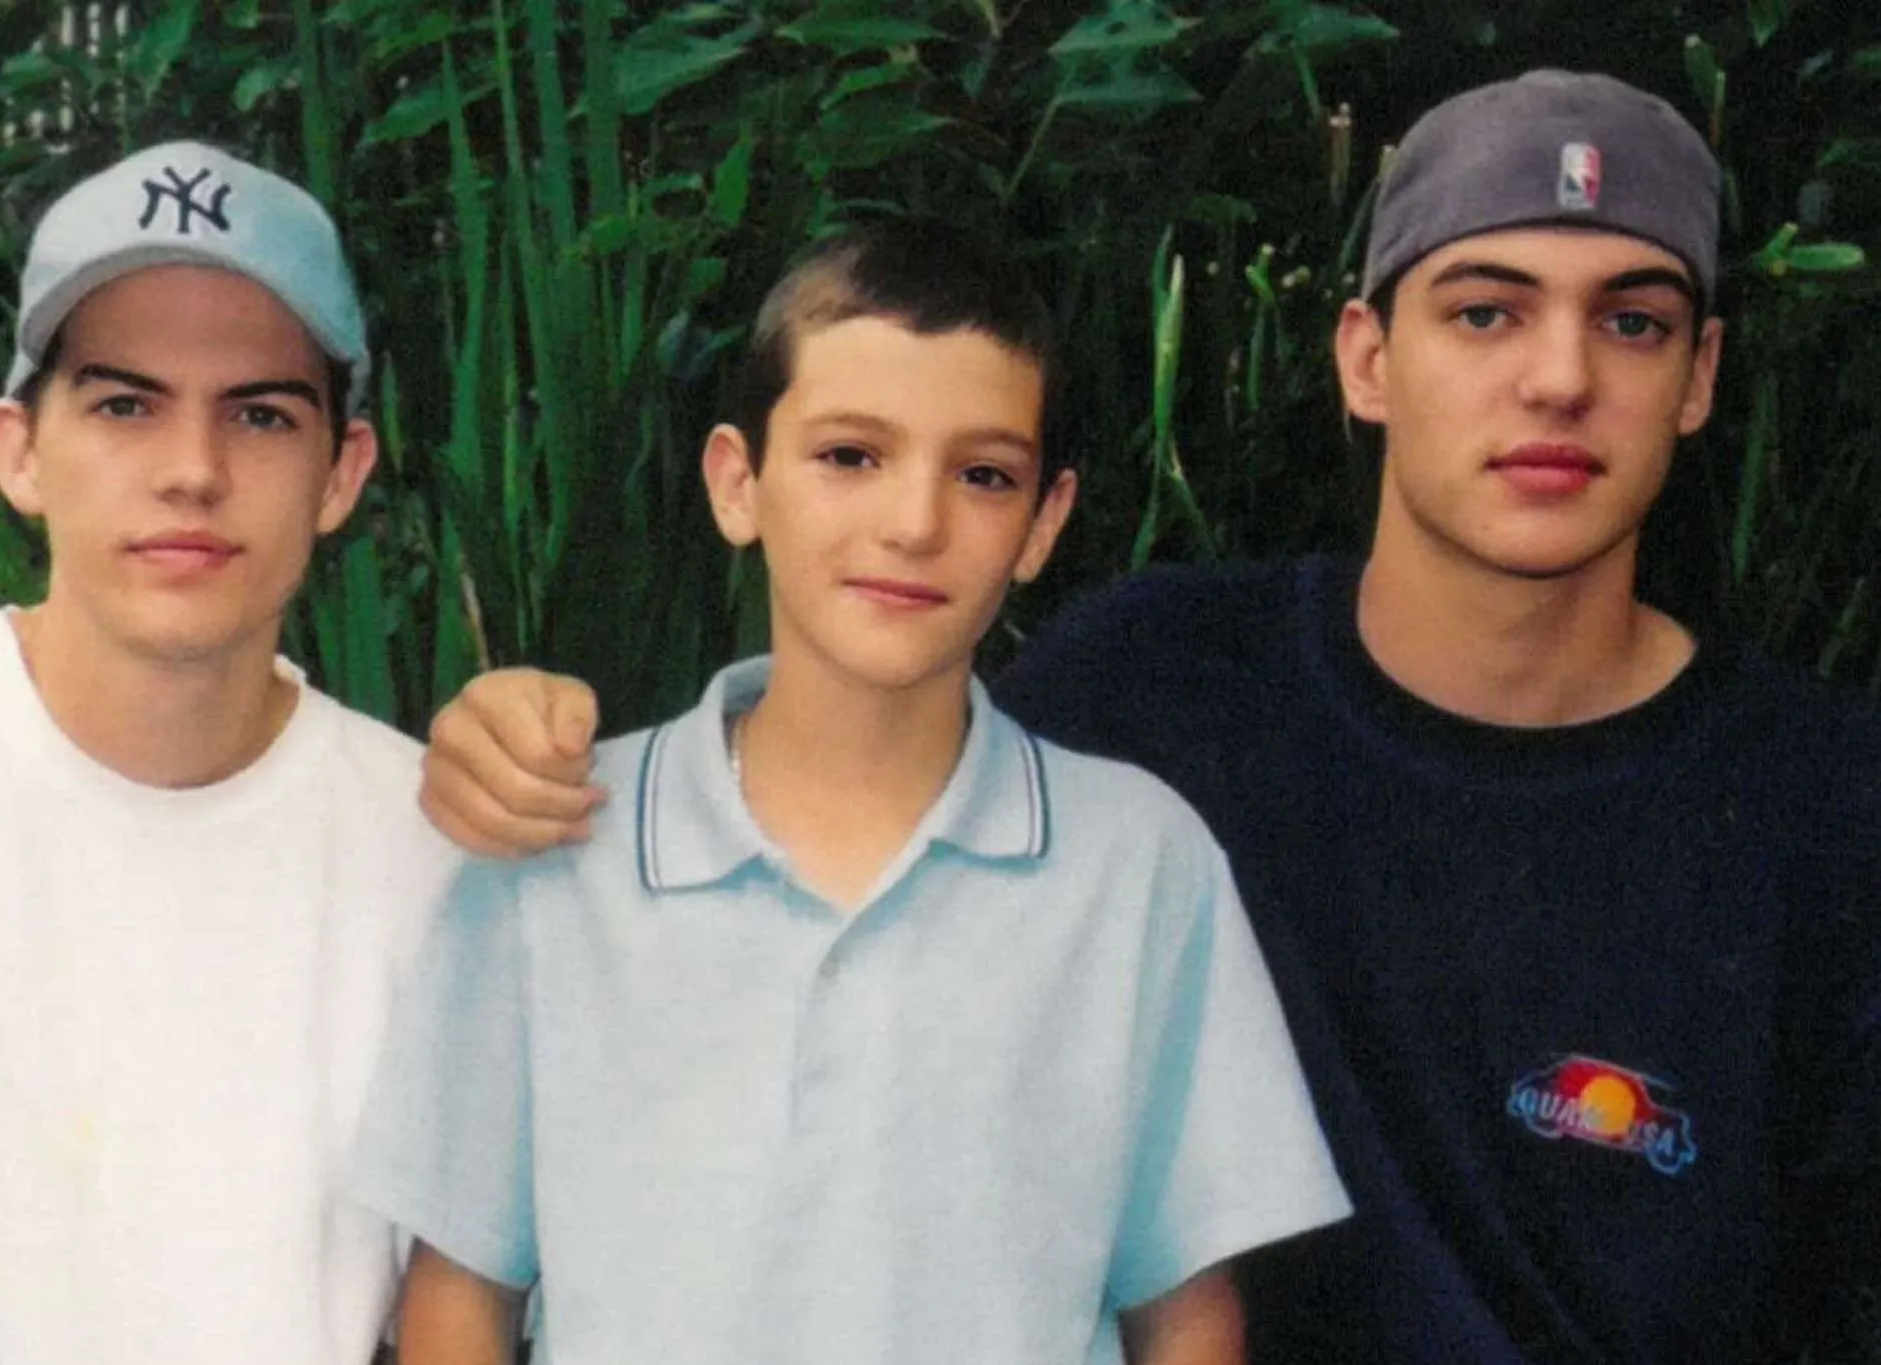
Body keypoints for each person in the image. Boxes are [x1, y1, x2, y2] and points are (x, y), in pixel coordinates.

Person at [412, 70, 1881, 1363]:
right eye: (1487, 309)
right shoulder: (1160, 690)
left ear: (1699, 380)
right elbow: (854, 760)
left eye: (1632, 321)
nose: (1559, 377)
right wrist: (517, 731)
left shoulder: (1826, 812)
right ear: (1365, 356)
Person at [349, 223, 1350, 1365]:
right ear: (737, 482)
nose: (912, 523)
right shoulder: (559, 841)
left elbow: (1182, 1315)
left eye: (981, 475)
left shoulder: (1136, 864)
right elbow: (459, 1299)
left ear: (1043, 524)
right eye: (849, 456)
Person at [0, 141, 460, 1363]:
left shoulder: (435, 859)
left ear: (342, 473)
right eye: (125, 404)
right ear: (16, 449)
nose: (192, 472)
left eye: (261, 414)